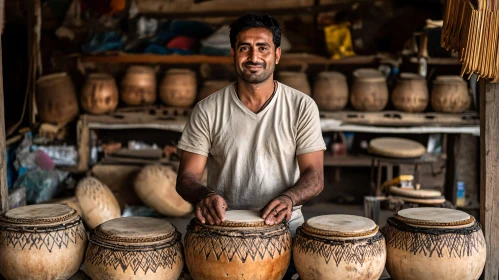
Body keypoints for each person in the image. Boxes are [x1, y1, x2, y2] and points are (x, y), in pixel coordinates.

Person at [176, 13, 325, 236]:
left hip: (285, 228)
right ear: (233, 54)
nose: (254, 57)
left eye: (263, 48)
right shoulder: (208, 109)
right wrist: (205, 195)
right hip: (224, 226)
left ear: (277, 55)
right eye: (245, 48)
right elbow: (187, 177)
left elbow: (315, 175)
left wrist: (289, 198)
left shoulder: (301, 106)